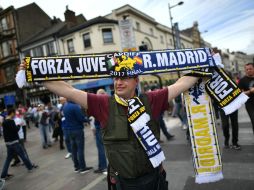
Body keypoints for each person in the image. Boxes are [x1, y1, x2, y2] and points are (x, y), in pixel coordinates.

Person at [19, 61, 199, 190]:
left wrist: (204, 66)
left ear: (136, 81)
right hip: (122, 183)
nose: (118, 82)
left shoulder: (152, 99)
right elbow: (69, 90)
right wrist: (34, 73)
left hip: (153, 180)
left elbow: (180, 84)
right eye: (116, 78)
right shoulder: (103, 103)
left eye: (125, 78)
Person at [0, 108, 38, 180]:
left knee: (8, 159)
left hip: (8, 144)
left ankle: (3, 175)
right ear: (11, 113)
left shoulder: (4, 121)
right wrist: (19, 125)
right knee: (23, 155)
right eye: (14, 113)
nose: (14, 115)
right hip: (14, 142)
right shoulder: (11, 121)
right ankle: (30, 167)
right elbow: (15, 130)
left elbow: (5, 133)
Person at [62, 100, 92, 174]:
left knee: (74, 150)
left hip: (69, 130)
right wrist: (88, 119)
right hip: (77, 130)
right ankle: (83, 167)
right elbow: (80, 118)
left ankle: (76, 167)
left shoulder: (65, 106)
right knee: (80, 149)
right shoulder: (75, 107)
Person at [90, 89, 108, 174]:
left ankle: (103, 167)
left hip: (100, 128)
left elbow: (93, 118)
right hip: (104, 128)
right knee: (102, 148)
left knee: (101, 149)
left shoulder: (98, 104)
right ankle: (101, 166)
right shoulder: (108, 101)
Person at [238, 63, 254, 135]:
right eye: (247, 69)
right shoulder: (242, 80)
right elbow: (239, 94)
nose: (248, 70)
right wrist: (250, 91)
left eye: (250, 69)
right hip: (250, 104)